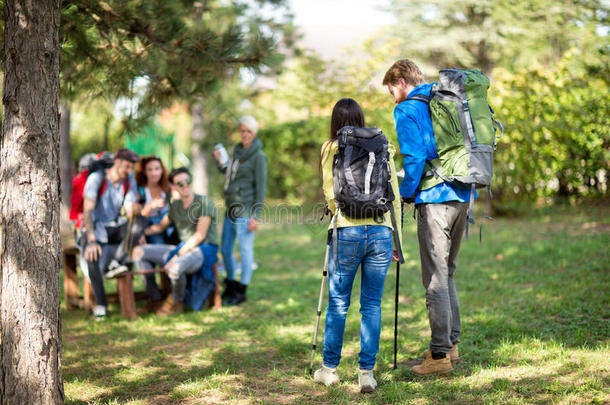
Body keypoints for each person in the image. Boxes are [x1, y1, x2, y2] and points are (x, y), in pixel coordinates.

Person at [383, 59, 473, 375]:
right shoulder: (442, 99)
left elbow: (415, 156)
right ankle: (451, 345)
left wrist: (407, 192)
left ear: (401, 81)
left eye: (391, 88)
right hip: (463, 195)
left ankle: (438, 357)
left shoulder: (407, 109)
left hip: (434, 199)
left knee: (434, 277)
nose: (392, 96)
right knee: (446, 272)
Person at [313, 98, 402, 393]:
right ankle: (366, 374)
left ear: (335, 122)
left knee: (339, 303)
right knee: (372, 305)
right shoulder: (382, 145)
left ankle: (330, 370)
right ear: (361, 118)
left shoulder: (331, 148)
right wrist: (397, 240)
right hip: (380, 231)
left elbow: (330, 194)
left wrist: (334, 207)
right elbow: (394, 196)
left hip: (346, 232)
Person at [131, 167, 219, 316]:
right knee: (138, 252)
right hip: (183, 247)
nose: (185, 185)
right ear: (173, 187)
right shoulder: (175, 206)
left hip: (203, 249)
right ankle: (155, 297)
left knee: (176, 267)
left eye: (187, 181)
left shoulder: (204, 202)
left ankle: (176, 300)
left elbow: (199, 235)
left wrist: (177, 256)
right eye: (180, 183)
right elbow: (161, 226)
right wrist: (141, 232)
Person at [82, 148, 147, 320]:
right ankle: (102, 305)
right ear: (117, 162)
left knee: (140, 221)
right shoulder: (96, 178)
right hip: (94, 228)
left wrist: (141, 210)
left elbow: (129, 210)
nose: (129, 171)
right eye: (127, 167)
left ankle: (115, 263)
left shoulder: (128, 181)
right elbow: (87, 211)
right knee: (92, 255)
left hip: (114, 227)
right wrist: (91, 240)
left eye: (131, 168)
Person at [214, 115, 267, 306]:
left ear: (254, 134)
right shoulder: (236, 152)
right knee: (226, 249)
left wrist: (256, 216)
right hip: (231, 208)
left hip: (246, 210)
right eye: (242, 130)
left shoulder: (258, 157)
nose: (244, 134)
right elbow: (229, 173)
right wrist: (220, 161)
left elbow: (261, 189)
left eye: (248, 131)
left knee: (245, 250)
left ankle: (242, 289)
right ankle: (230, 283)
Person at [134, 156, 173, 245]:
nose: (154, 173)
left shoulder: (168, 189)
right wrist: (150, 206)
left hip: (167, 225)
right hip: (148, 226)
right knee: (158, 244)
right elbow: (138, 217)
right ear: (144, 172)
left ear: (162, 170)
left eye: (157, 169)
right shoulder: (141, 191)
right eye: (150, 170)